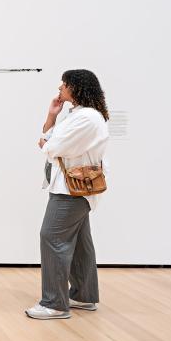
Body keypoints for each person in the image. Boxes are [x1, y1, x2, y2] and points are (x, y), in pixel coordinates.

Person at [25, 69, 110, 320]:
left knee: (51, 236)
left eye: (65, 83)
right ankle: (83, 296)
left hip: (71, 191)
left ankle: (54, 303)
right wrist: (52, 116)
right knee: (81, 243)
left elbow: (51, 145)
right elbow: (51, 140)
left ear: (77, 87)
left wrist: (48, 143)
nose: (60, 87)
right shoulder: (80, 116)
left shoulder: (86, 118)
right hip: (74, 189)